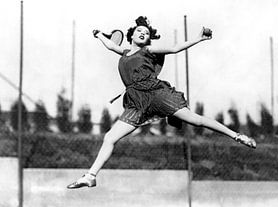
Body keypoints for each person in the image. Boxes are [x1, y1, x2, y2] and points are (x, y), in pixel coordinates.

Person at [67, 16, 256, 189]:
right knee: (109, 137)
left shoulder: (147, 50)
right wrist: (99, 34)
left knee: (195, 119)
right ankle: (91, 176)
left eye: (146, 33)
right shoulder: (124, 52)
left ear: (148, 39)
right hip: (136, 102)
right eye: (140, 31)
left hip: (156, 93)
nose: (143, 33)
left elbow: (174, 49)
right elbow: (110, 45)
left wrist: (199, 38)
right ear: (131, 35)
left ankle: (236, 136)